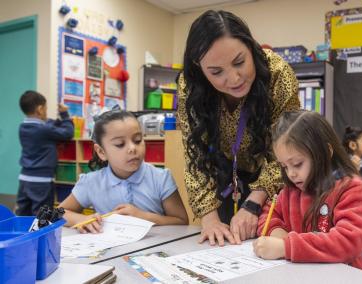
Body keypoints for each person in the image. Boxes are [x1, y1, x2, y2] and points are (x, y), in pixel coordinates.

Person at [177, 10, 300, 246]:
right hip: (222, 177)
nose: (234, 79)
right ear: (199, 68)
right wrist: (209, 218)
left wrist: (254, 202)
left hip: (273, 176)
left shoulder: (277, 73)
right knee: (222, 243)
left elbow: (288, 147)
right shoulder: (189, 86)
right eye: (216, 72)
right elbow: (195, 155)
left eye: (240, 62)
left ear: (250, 46)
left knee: (271, 244)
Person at [253, 111, 362, 272]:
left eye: (297, 164)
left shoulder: (352, 188)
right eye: (284, 166)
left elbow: (350, 241)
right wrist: (277, 233)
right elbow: (268, 214)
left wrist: (286, 247)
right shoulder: (291, 190)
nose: (291, 173)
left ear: (326, 152)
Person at [60, 109, 188, 233]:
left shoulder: (161, 178)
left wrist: (142, 216)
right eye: (120, 144)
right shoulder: (91, 182)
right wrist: (83, 219)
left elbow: (181, 221)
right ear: (101, 152)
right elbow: (58, 213)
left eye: (137, 140)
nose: (132, 148)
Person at [16, 90, 74, 216]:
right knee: (42, 215)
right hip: (41, 181)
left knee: (23, 213)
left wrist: (55, 121)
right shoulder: (44, 129)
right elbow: (68, 133)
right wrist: (64, 115)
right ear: (40, 109)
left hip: (25, 179)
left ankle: (22, 235)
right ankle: (41, 236)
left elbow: (48, 124)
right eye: (46, 109)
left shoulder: (23, 127)